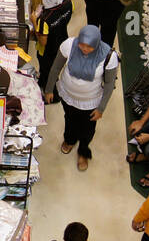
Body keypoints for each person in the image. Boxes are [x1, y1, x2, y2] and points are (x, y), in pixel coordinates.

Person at [47, 24, 119, 171]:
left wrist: (101, 108)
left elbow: (110, 83)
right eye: (82, 45)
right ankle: (69, 140)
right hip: (68, 95)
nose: (85, 49)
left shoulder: (109, 56)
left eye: (89, 47)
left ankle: (83, 152)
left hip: (91, 101)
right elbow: (56, 68)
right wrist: (49, 89)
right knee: (70, 118)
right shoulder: (69, 45)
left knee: (88, 127)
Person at [35, 0, 74, 94]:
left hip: (47, 52)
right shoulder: (68, 3)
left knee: (48, 71)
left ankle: (53, 95)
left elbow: (42, 42)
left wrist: (34, 20)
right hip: (62, 43)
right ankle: (42, 81)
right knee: (54, 69)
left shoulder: (44, 19)